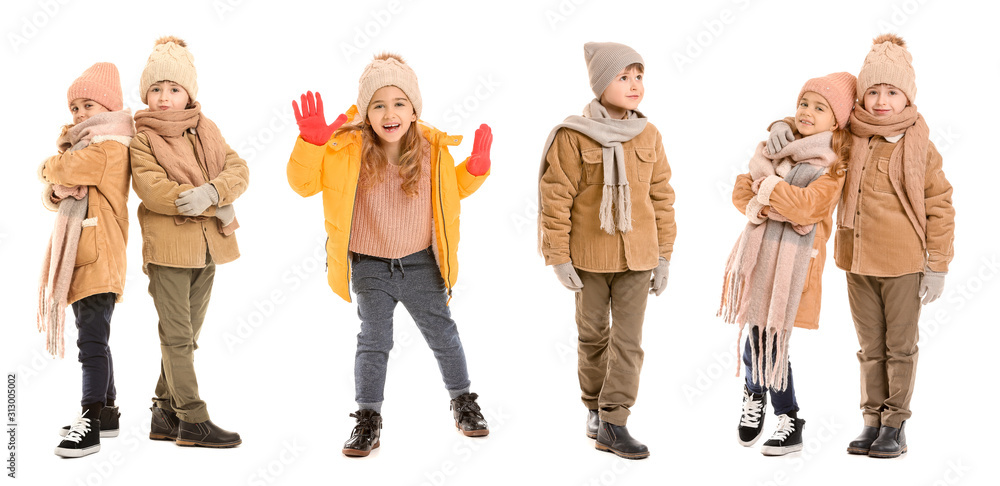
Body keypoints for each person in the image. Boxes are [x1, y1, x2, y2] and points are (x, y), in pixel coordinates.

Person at [287, 53, 493, 457]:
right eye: (378, 104)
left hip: (420, 262)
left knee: (443, 336)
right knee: (374, 341)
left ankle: (463, 401)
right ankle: (368, 418)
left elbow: (451, 191)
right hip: (370, 264)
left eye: (399, 103)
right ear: (366, 113)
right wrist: (312, 144)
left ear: (414, 110)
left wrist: (476, 168)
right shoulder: (345, 148)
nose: (389, 112)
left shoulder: (433, 150)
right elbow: (303, 183)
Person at [538, 42, 676, 460]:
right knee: (593, 336)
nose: (635, 85)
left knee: (629, 341)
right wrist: (558, 256)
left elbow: (662, 196)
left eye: (639, 76)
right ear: (601, 84)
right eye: (624, 77)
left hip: (638, 257)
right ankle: (594, 406)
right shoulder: (573, 134)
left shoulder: (649, 134)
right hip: (589, 258)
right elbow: (555, 198)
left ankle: (615, 420)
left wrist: (664, 255)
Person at [724, 72, 857, 456]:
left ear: (836, 121)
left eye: (820, 107)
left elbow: (808, 209)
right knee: (758, 332)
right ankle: (761, 398)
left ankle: (786, 415)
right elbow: (738, 192)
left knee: (772, 338)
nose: (807, 112)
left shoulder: (834, 165)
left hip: (795, 265)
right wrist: (778, 200)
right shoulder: (775, 146)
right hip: (760, 257)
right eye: (803, 103)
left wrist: (764, 194)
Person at [130, 36, 248, 448]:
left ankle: (164, 412)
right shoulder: (141, 138)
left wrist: (213, 193)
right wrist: (215, 206)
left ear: (189, 93)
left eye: (174, 89)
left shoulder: (206, 130)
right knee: (177, 337)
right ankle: (193, 421)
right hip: (168, 251)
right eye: (156, 89)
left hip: (208, 249)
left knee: (187, 337)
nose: (164, 98)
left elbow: (239, 169)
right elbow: (155, 190)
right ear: (146, 93)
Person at [39, 62, 134, 458]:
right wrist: (55, 188)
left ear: (109, 108)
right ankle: (107, 412)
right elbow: (57, 192)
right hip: (84, 257)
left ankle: (90, 421)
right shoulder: (88, 145)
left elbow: (63, 170)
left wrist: (48, 169)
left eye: (88, 106)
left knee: (91, 341)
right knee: (95, 336)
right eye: (74, 108)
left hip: (100, 257)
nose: (78, 115)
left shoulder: (111, 147)